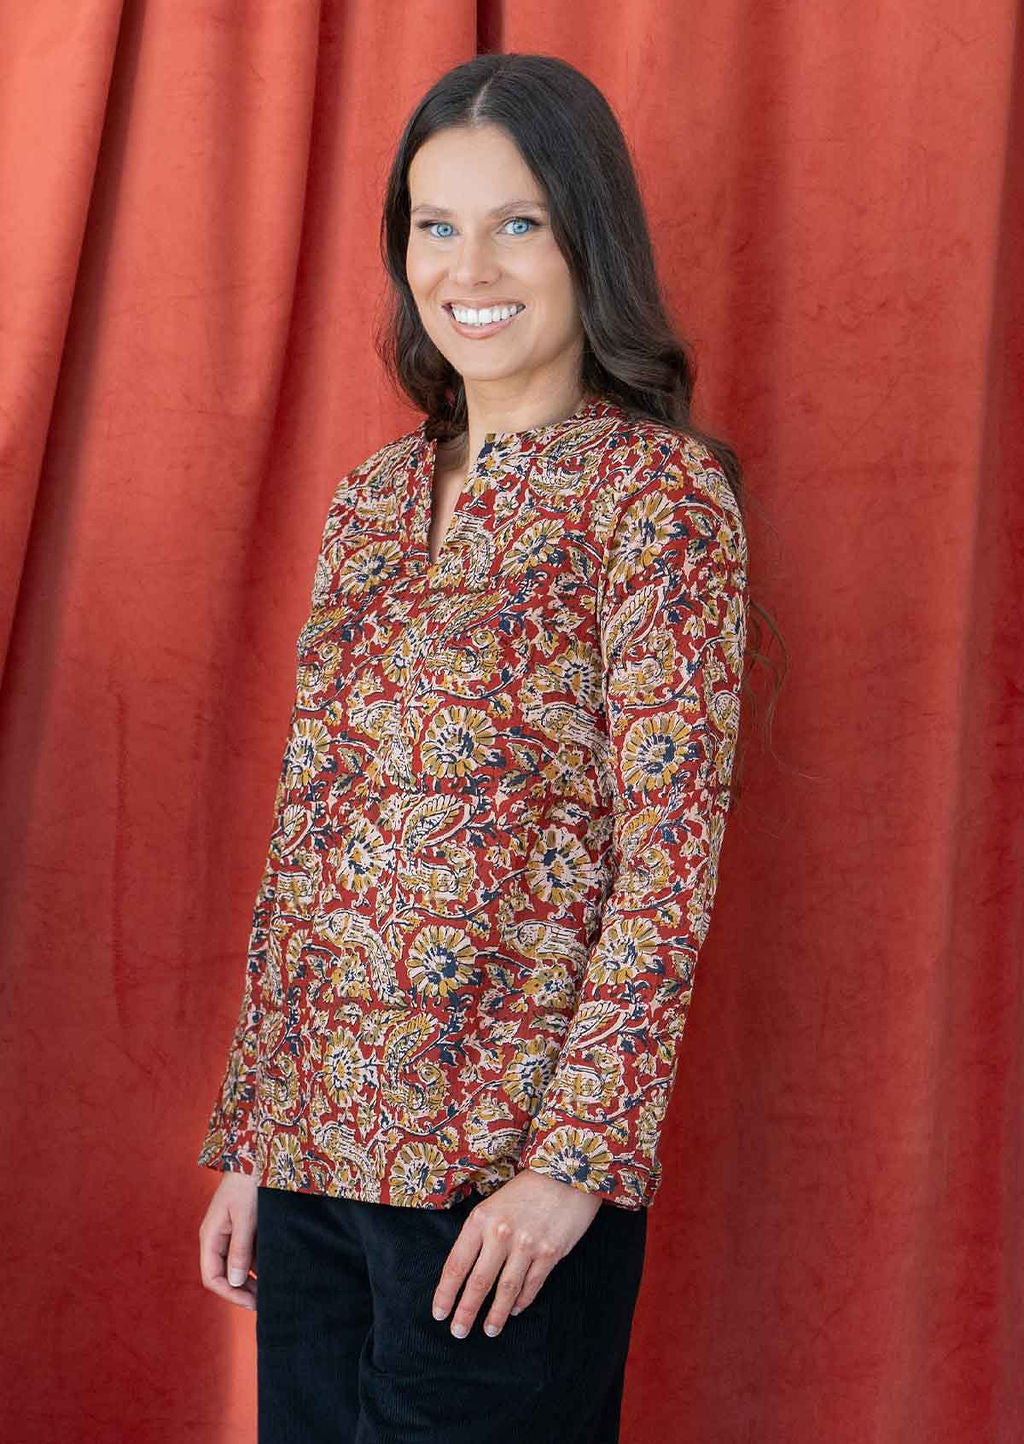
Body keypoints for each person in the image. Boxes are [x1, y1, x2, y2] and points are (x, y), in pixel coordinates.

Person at [197, 51, 751, 1444]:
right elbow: (312, 824)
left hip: (501, 1200)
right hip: (320, 1171)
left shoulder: (657, 500)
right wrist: (261, 1138)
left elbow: (667, 863)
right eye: (434, 226)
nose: (469, 266)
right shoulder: (373, 500)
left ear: (586, 239)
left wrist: (574, 1168)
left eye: (517, 222)